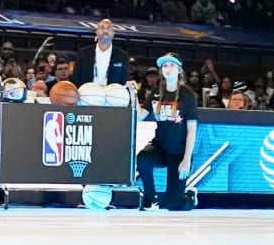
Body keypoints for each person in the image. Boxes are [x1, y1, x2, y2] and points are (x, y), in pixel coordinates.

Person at [136, 53, 197, 211]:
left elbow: (191, 129)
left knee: (173, 205)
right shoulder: (156, 92)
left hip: (179, 152)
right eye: (164, 66)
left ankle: (190, 197)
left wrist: (186, 159)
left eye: (171, 65)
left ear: (179, 70)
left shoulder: (187, 95)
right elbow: (141, 116)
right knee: (143, 158)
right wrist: (133, 94)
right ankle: (151, 199)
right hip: (160, 147)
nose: (168, 68)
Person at [69, 18, 131, 88]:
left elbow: (124, 81)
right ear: (97, 32)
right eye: (102, 28)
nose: (105, 31)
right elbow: (75, 79)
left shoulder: (122, 55)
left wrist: (128, 84)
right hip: (87, 95)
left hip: (111, 96)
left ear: (113, 34)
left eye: (109, 28)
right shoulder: (83, 53)